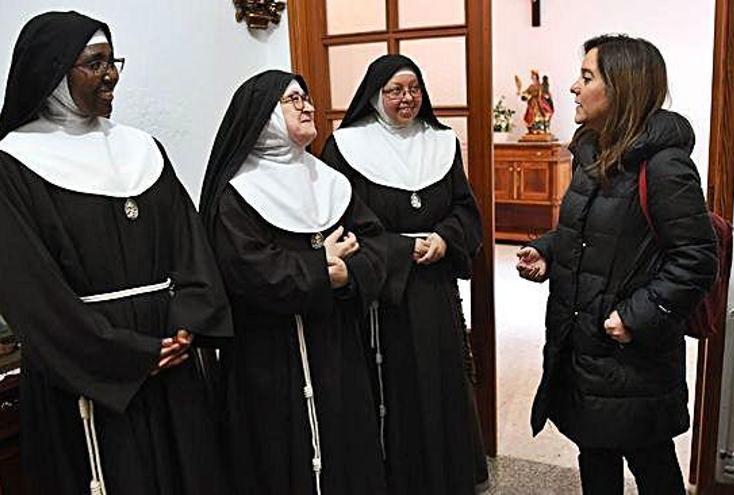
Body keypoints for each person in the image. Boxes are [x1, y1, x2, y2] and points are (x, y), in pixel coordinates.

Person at [0, 11, 232, 495]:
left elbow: (191, 249)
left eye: (114, 60)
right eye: (95, 63)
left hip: (172, 358)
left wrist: (189, 322)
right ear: (53, 73)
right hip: (90, 368)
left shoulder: (143, 149)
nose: (112, 74)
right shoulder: (14, 163)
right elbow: (30, 293)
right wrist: (127, 355)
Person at [516, 35, 718, 494]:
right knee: (594, 450)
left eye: (586, 77)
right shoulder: (591, 152)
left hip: (632, 351)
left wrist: (635, 316)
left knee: (651, 463)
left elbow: (697, 257)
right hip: (584, 339)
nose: (572, 87)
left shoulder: (665, 165)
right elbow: (592, 230)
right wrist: (548, 250)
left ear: (621, 87)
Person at [199, 70, 387, 495]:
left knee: (345, 445)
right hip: (269, 356)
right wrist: (320, 268)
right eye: (293, 99)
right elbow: (247, 271)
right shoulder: (237, 194)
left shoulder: (332, 182)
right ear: (264, 116)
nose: (308, 105)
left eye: (307, 96)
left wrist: (349, 274)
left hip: (337, 346)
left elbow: (375, 245)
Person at [320, 54, 487, 494]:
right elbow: (337, 220)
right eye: (394, 90)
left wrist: (445, 239)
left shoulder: (442, 141)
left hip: (434, 287)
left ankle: (447, 476)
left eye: (413, 88)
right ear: (375, 96)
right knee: (392, 389)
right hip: (381, 290)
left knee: (441, 380)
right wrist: (397, 249)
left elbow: (465, 209)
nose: (406, 98)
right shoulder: (345, 146)